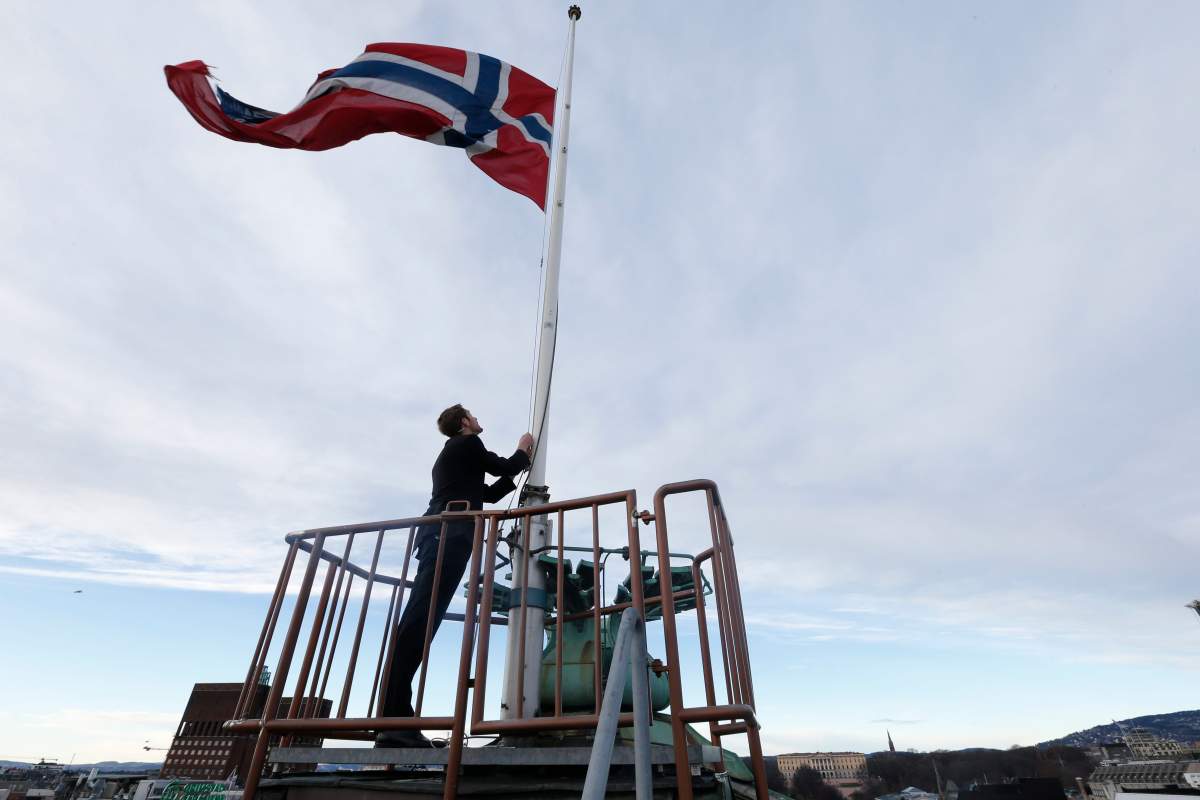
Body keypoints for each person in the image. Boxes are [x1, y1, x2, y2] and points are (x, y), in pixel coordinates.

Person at [376, 404, 533, 747]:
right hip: (446, 536)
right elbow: (503, 466)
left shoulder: (457, 454)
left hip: (443, 536)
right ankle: (394, 720)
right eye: (473, 416)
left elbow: (487, 493)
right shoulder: (467, 445)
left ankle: (395, 719)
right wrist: (523, 449)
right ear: (464, 423)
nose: (478, 420)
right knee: (420, 620)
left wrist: (519, 469)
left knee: (421, 619)